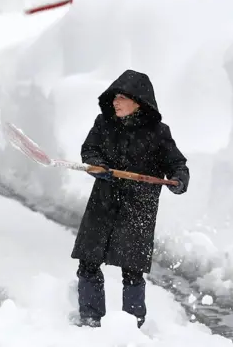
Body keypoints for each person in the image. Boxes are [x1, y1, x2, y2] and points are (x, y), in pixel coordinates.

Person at [71, 70, 189, 329]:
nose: (116, 102)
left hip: (138, 209)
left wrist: (179, 180)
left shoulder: (158, 133)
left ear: (139, 101)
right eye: (114, 97)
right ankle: (91, 319)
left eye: (122, 97)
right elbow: (89, 149)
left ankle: (132, 324)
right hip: (103, 203)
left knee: (132, 270)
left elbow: (177, 163)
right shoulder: (104, 124)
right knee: (88, 262)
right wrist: (98, 165)